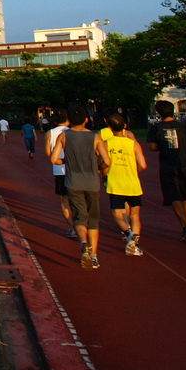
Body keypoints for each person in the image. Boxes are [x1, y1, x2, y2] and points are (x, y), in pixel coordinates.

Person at [50, 106, 111, 270]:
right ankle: (94, 256)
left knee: (79, 218)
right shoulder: (95, 136)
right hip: (92, 182)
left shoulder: (64, 136)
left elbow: (54, 158)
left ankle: (83, 243)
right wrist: (97, 168)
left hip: (73, 182)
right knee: (93, 220)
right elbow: (107, 161)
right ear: (86, 119)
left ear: (69, 120)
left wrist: (65, 162)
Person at [146, 101, 186, 241]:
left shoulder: (156, 128)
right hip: (185, 164)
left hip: (168, 165)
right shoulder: (182, 126)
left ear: (158, 113)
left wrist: (162, 146)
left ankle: (185, 226)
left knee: (174, 196)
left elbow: (152, 147)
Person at [103, 112, 147, 256]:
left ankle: (129, 234)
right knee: (135, 215)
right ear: (125, 126)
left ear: (110, 128)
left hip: (115, 183)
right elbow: (143, 165)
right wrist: (134, 170)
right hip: (133, 183)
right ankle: (135, 243)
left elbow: (104, 163)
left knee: (117, 215)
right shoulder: (133, 144)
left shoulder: (107, 143)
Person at [44, 111, 76, 238]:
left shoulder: (50, 134)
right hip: (75, 169)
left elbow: (48, 153)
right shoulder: (74, 132)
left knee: (64, 200)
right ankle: (82, 225)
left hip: (59, 169)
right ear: (68, 120)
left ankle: (72, 227)